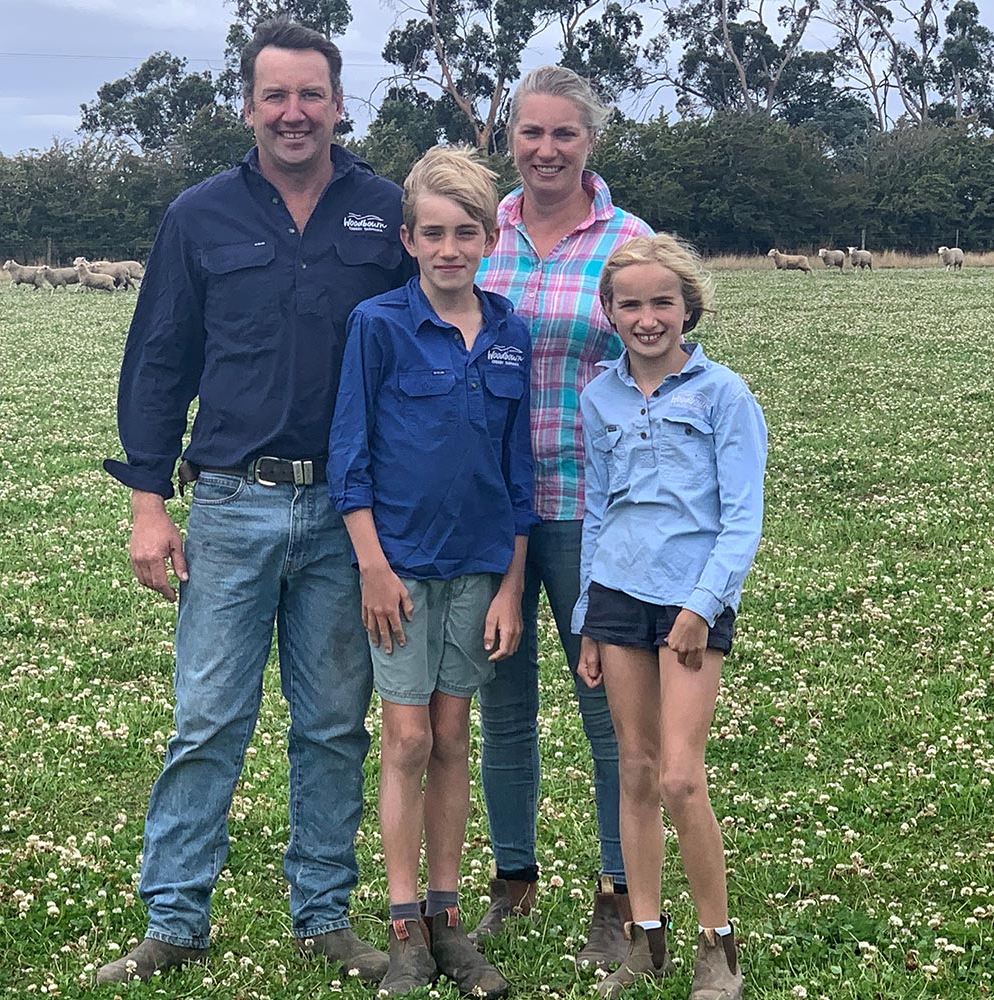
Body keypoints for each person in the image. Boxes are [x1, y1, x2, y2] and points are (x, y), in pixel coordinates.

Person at [96, 16, 412, 986]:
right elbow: (157, 363)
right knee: (207, 720)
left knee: (331, 725)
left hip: (346, 515)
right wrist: (151, 506)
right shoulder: (198, 215)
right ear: (247, 106)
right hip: (230, 504)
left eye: (310, 94)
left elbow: (424, 341)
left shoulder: (385, 211)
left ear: (339, 102)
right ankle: (174, 918)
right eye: (275, 95)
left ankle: (323, 916)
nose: (293, 112)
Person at [329, 146, 532, 999]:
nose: (450, 248)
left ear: (490, 237)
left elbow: (520, 474)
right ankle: (404, 923)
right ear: (408, 238)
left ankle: (450, 924)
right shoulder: (377, 325)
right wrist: (373, 564)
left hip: (480, 572)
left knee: (455, 739)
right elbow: (351, 456)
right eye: (433, 233)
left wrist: (514, 586)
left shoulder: (510, 332)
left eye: (467, 233)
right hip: (400, 573)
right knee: (407, 741)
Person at [470, 64, 653, 969]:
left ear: (591, 142)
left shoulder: (627, 242)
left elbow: (658, 379)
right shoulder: (480, 230)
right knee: (501, 702)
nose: (545, 150)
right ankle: (513, 880)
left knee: (610, 711)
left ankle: (620, 898)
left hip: (593, 508)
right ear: (511, 137)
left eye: (564, 134)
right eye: (530, 133)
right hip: (490, 512)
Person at [571, 234, 766, 1000]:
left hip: (691, 600)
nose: (648, 318)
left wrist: (702, 604)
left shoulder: (724, 395)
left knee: (684, 778)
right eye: (631, 305)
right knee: (636, 771)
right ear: (610, 314)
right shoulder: (599, 397)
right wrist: (588, 612)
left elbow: (741, 518)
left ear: (689, 308)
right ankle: (642, 938)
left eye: (662, 303)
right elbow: (595, 509)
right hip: (618, 595)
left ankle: (717, 947)